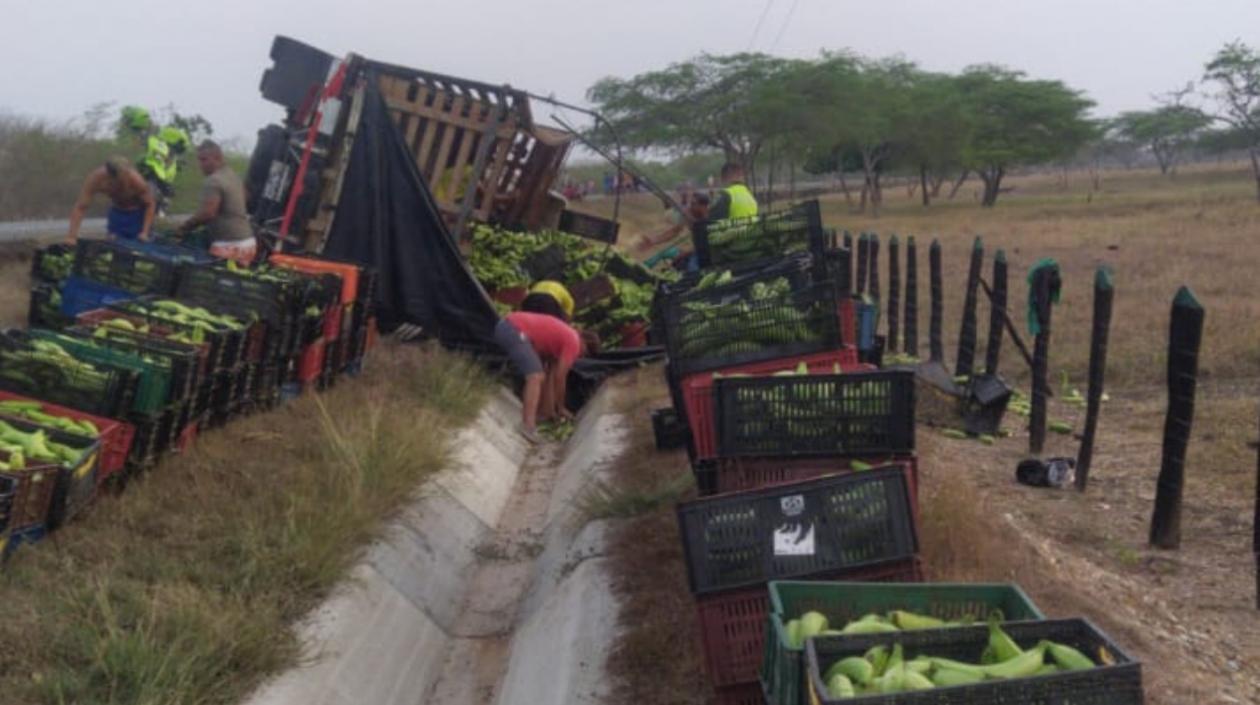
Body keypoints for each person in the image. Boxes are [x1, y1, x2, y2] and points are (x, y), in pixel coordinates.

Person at [495, 311, 581, 443]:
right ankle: (527, 427)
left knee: (540, 375)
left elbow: (550, 378)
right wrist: (561, 407)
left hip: (509, 325)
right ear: (585, 346)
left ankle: (536, 417)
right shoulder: (574, 343)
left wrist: (549, 413)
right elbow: (560, 377)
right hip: (512, 328)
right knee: (535, 376)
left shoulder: (559, 344)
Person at [178, 140, 255, 264]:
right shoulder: (233, 176)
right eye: (199, 160)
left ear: (217, 158)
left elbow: (207, 213)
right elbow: (246, 198)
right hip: (247, 243)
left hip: (230, 246)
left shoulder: (214, 180)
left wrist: (184, 227)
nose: (200, 165)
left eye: (204, 160)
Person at [66, 156, 156, 243]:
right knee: (115, 245)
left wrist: (145, 232)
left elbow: (150, 204)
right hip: (117, 214)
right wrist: (72, 236)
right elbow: (81, 207)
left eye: (126, 174)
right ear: (109, 175)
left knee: (136, 247)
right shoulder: (96, 179)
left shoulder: (137, 181)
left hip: (137, 215)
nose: (124, 180)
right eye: (120, 178)